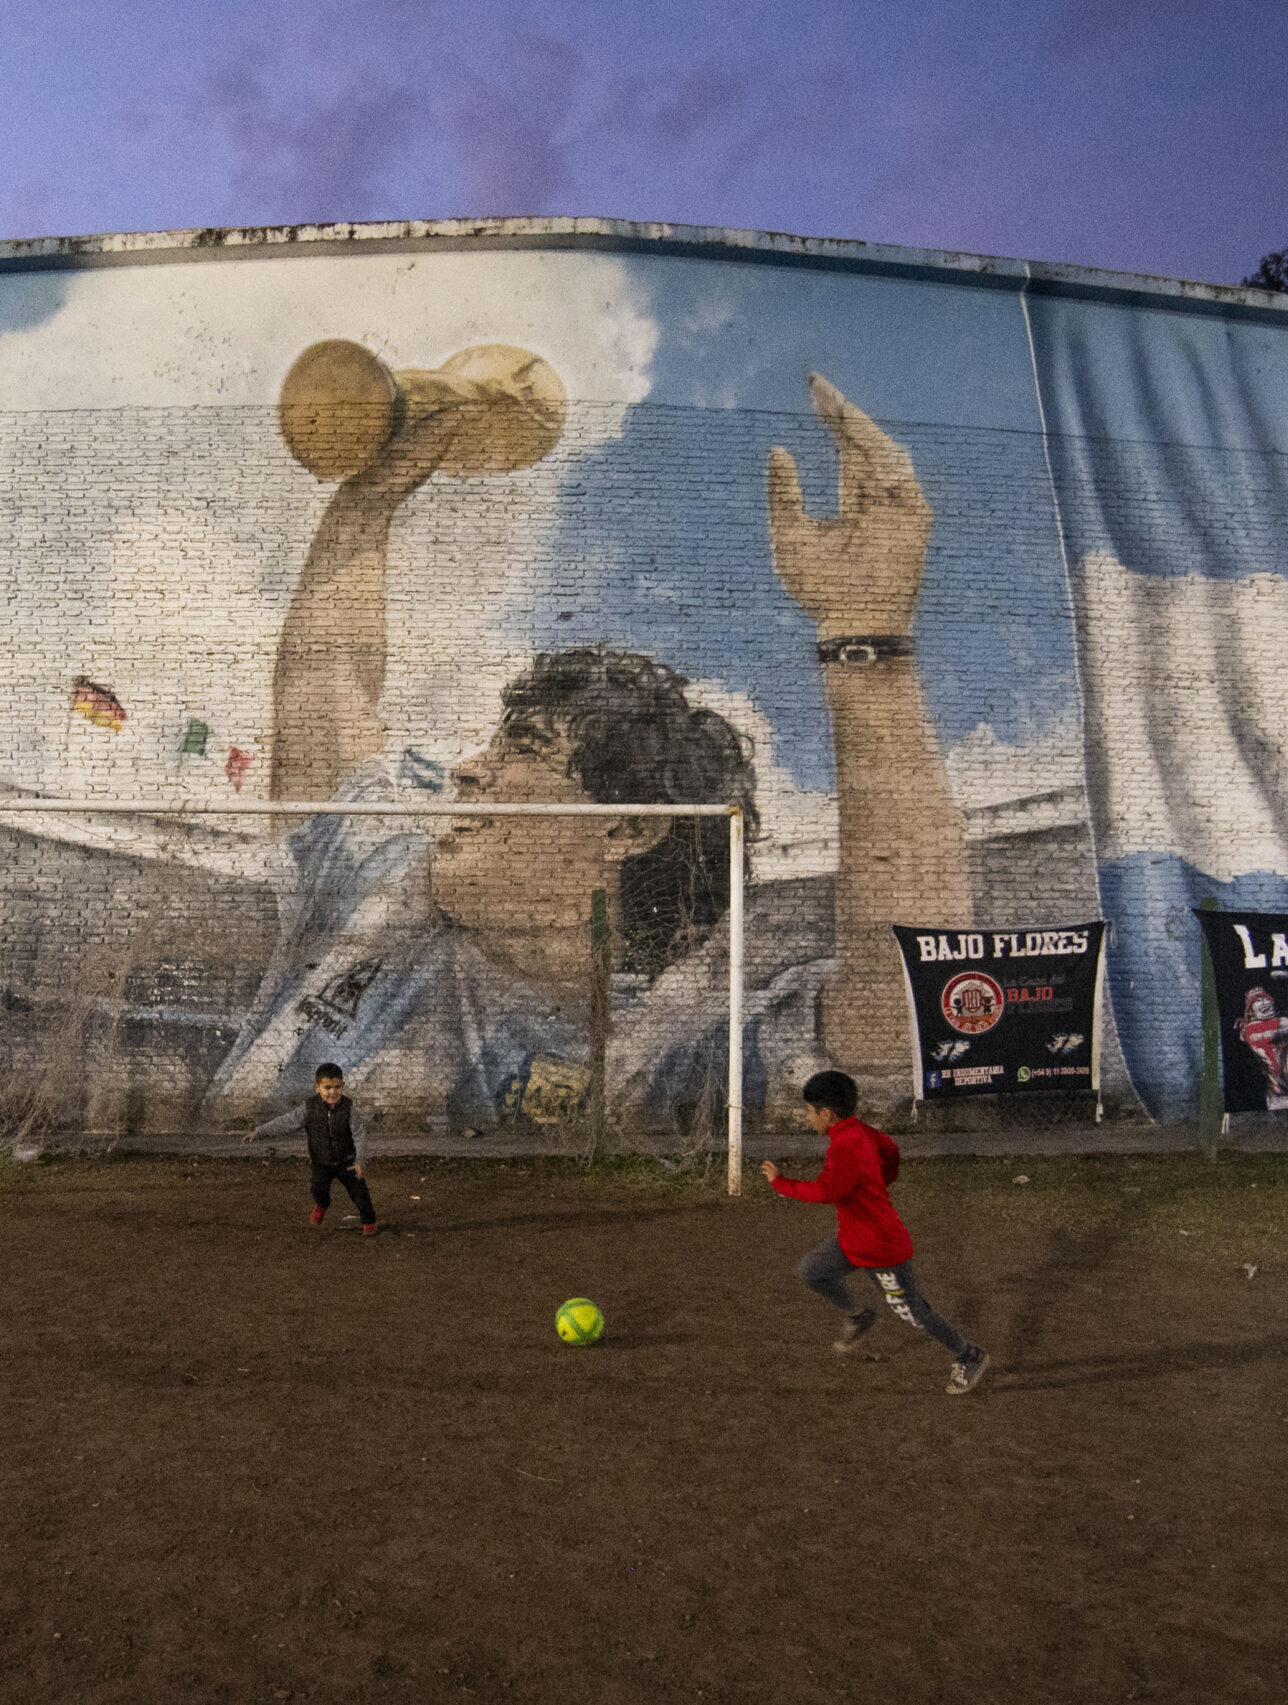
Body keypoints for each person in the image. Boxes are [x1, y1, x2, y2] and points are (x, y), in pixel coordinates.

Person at [210, 366, 974, 1132]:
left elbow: (904, 1004)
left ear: (628, 825)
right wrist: (369, 498)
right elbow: (327, 684)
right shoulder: (385, 866)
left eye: (524, 751)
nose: (470, 770)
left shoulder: (671, 1048)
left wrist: (870, 638)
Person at [760, 1069, 987, 1395]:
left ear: (826, 1113)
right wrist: (880, 1181)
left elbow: (826, 1191)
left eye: (809, 1111)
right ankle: (859, 1315)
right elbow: (891, 1151)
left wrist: (781, 1184)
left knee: (914, 1313)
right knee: (812, 1270)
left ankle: (968, 1354)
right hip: (856, 1241)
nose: (807, 1117)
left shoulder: (844, 1147)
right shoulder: (859, 1132)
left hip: (881, 1249)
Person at [245, 1061, 380, 1236]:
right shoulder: (308, 1108)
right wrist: (259, 1132)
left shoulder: (348, 1109)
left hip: (347, 1162)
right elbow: (285, 1122)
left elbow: (360, 1135)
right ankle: (322, 1205)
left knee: (360, 1194)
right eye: (328, 1087)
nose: (333, 1092)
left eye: (337, 1087)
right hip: (321, 1162)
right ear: (317, 1087)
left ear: (343, 1086)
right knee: (318, 1189)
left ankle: (369, 1222)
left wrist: (359, 1160)